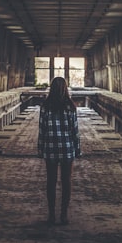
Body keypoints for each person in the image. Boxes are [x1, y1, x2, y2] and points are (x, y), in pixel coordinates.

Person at [37, 76, 81, 225]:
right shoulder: (70, 107)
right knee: (66, 182)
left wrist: (40, 148)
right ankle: (63, 215)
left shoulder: (45, 106)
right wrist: (77, 149)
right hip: (67, 149)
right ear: (65, 89)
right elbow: (75, 130)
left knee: (51, 181)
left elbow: (41, 130)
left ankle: (51, 215)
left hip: (50, 149)